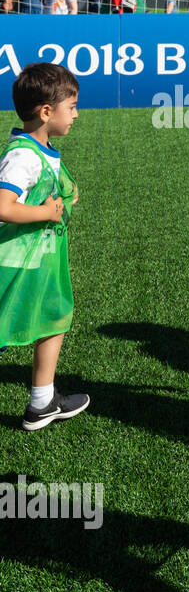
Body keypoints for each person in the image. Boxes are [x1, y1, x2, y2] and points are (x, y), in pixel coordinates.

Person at [0, 63, 89, 431]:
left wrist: (65, 194)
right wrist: (45, 212)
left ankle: (42, 402)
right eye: (71, 106)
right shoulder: (22, 155)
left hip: (39, 262)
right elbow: (3, 206)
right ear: (46, 111)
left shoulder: (43, 147)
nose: (77, 114)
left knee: (55, 316)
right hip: (17, 264)